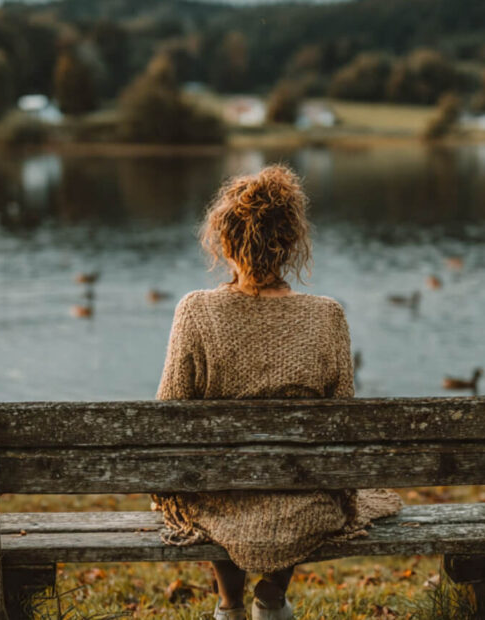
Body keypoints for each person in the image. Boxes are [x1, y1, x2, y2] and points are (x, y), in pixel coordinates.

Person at [153, 164, 402, 620]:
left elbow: (168, 413)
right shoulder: (327, 316)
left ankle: (230, 606)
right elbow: (341, 420)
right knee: (295, 489)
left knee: (218, 487)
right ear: (290, 243)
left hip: (218, 494)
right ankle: (270, 597)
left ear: (224, 241)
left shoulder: (195, 310)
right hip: (301, 496)